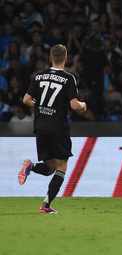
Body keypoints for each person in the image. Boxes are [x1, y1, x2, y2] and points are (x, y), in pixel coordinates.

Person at [18, 44, 87, 214]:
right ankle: (45, 206)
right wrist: (83, 106)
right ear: (66, 59)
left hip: (40, 126)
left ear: (50, 58)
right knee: (61, 167)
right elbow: (74, 105)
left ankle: (31, 166)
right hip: (58, 126)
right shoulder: (69, 78)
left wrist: (40, 106)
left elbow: (26, 99)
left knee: (50, 168)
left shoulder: (39, 76)